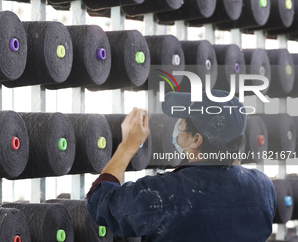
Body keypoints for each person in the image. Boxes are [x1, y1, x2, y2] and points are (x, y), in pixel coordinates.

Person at [86, 90, 276, 242]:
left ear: (196, 139)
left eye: (183, 121)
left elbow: (100, 203)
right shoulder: (263, 188)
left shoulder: (166, 193)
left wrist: (128, 146)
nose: (178, 125)